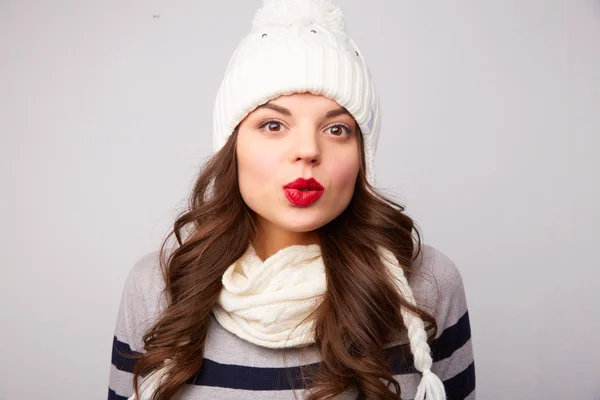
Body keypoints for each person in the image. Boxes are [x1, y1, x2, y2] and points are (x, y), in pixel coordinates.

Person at [108, 0, 476, 399]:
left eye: (336, 129)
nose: (307, 150)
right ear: (232, 147)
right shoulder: (158, 287)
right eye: (273, 124)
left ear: (362, 156)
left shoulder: (425, 285)